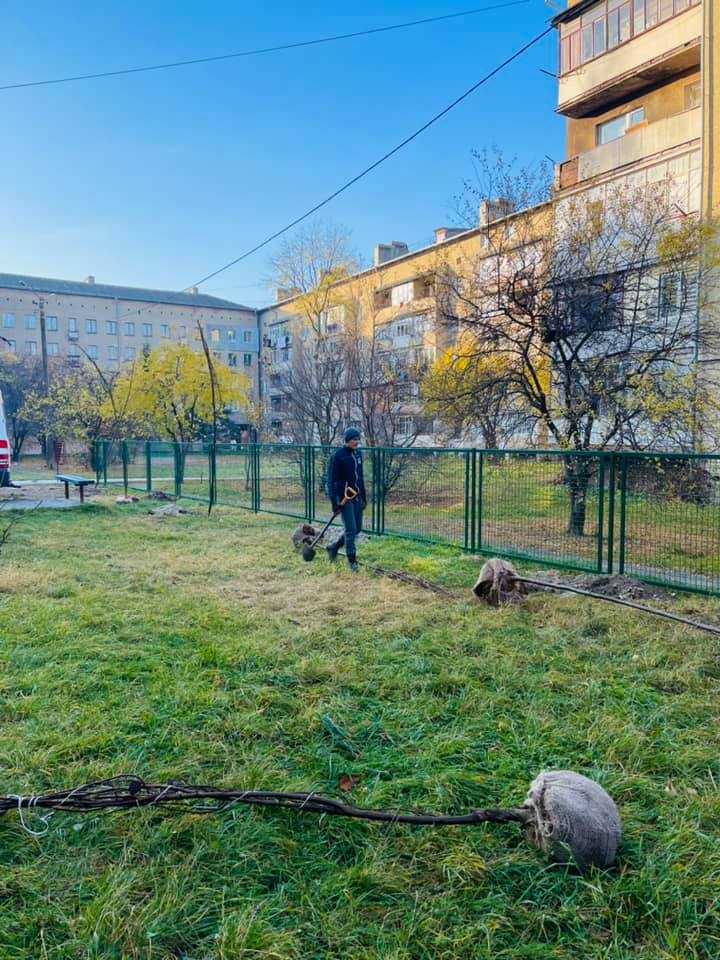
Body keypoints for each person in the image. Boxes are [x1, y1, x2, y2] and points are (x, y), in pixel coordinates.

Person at [327, 427, 367, 572]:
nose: (356, 442)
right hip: (344, 497)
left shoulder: (358, 454)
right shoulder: (338, 455)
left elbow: (360, 478)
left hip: (356, 496)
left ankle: (334, 547)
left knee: (358, 529)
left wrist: (363, 497)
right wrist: (334, 502)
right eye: (353, 439)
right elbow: (331, 480)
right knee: (350, 529)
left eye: (358, 439)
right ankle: (352, 561)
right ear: (347, 440)